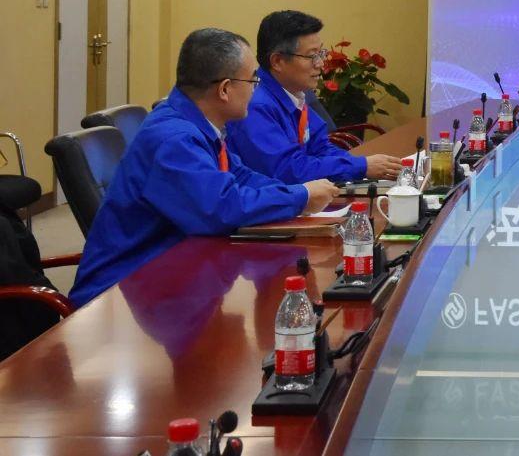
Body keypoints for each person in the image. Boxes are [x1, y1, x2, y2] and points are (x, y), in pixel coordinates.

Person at [69, 29, 339, 307]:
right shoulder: (175, 139)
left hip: (170, 272)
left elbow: (240, 176)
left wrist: (298, 192)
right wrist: (300, 197)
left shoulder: (196, 123)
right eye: (253, 80)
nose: (256, 89)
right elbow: (221, 207)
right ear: (224, 89)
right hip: (121, 293)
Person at [227, 11, 402, 184]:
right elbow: (288, 171)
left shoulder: (294, 93)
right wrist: (360, 167)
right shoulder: (255, 105)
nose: (321, 63)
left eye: (321, 53)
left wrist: (361, 166)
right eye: (312, 56)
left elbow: (321, 149)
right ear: (278, 61)